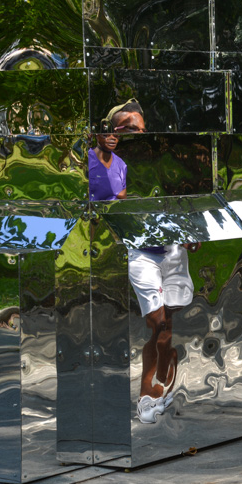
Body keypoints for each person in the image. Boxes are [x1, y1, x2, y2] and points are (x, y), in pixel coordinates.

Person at [88, 99, 199, 424]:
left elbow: (176, 199)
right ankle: (149, 394)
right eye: (129, 129)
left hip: (170, 251)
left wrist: (188, 230)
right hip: (138, 253)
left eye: (142, 129)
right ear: (110, 131)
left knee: (166, 327)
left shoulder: (152, 161)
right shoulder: (95, 162)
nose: (139, 135)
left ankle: (155, 392)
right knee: (158, 323)